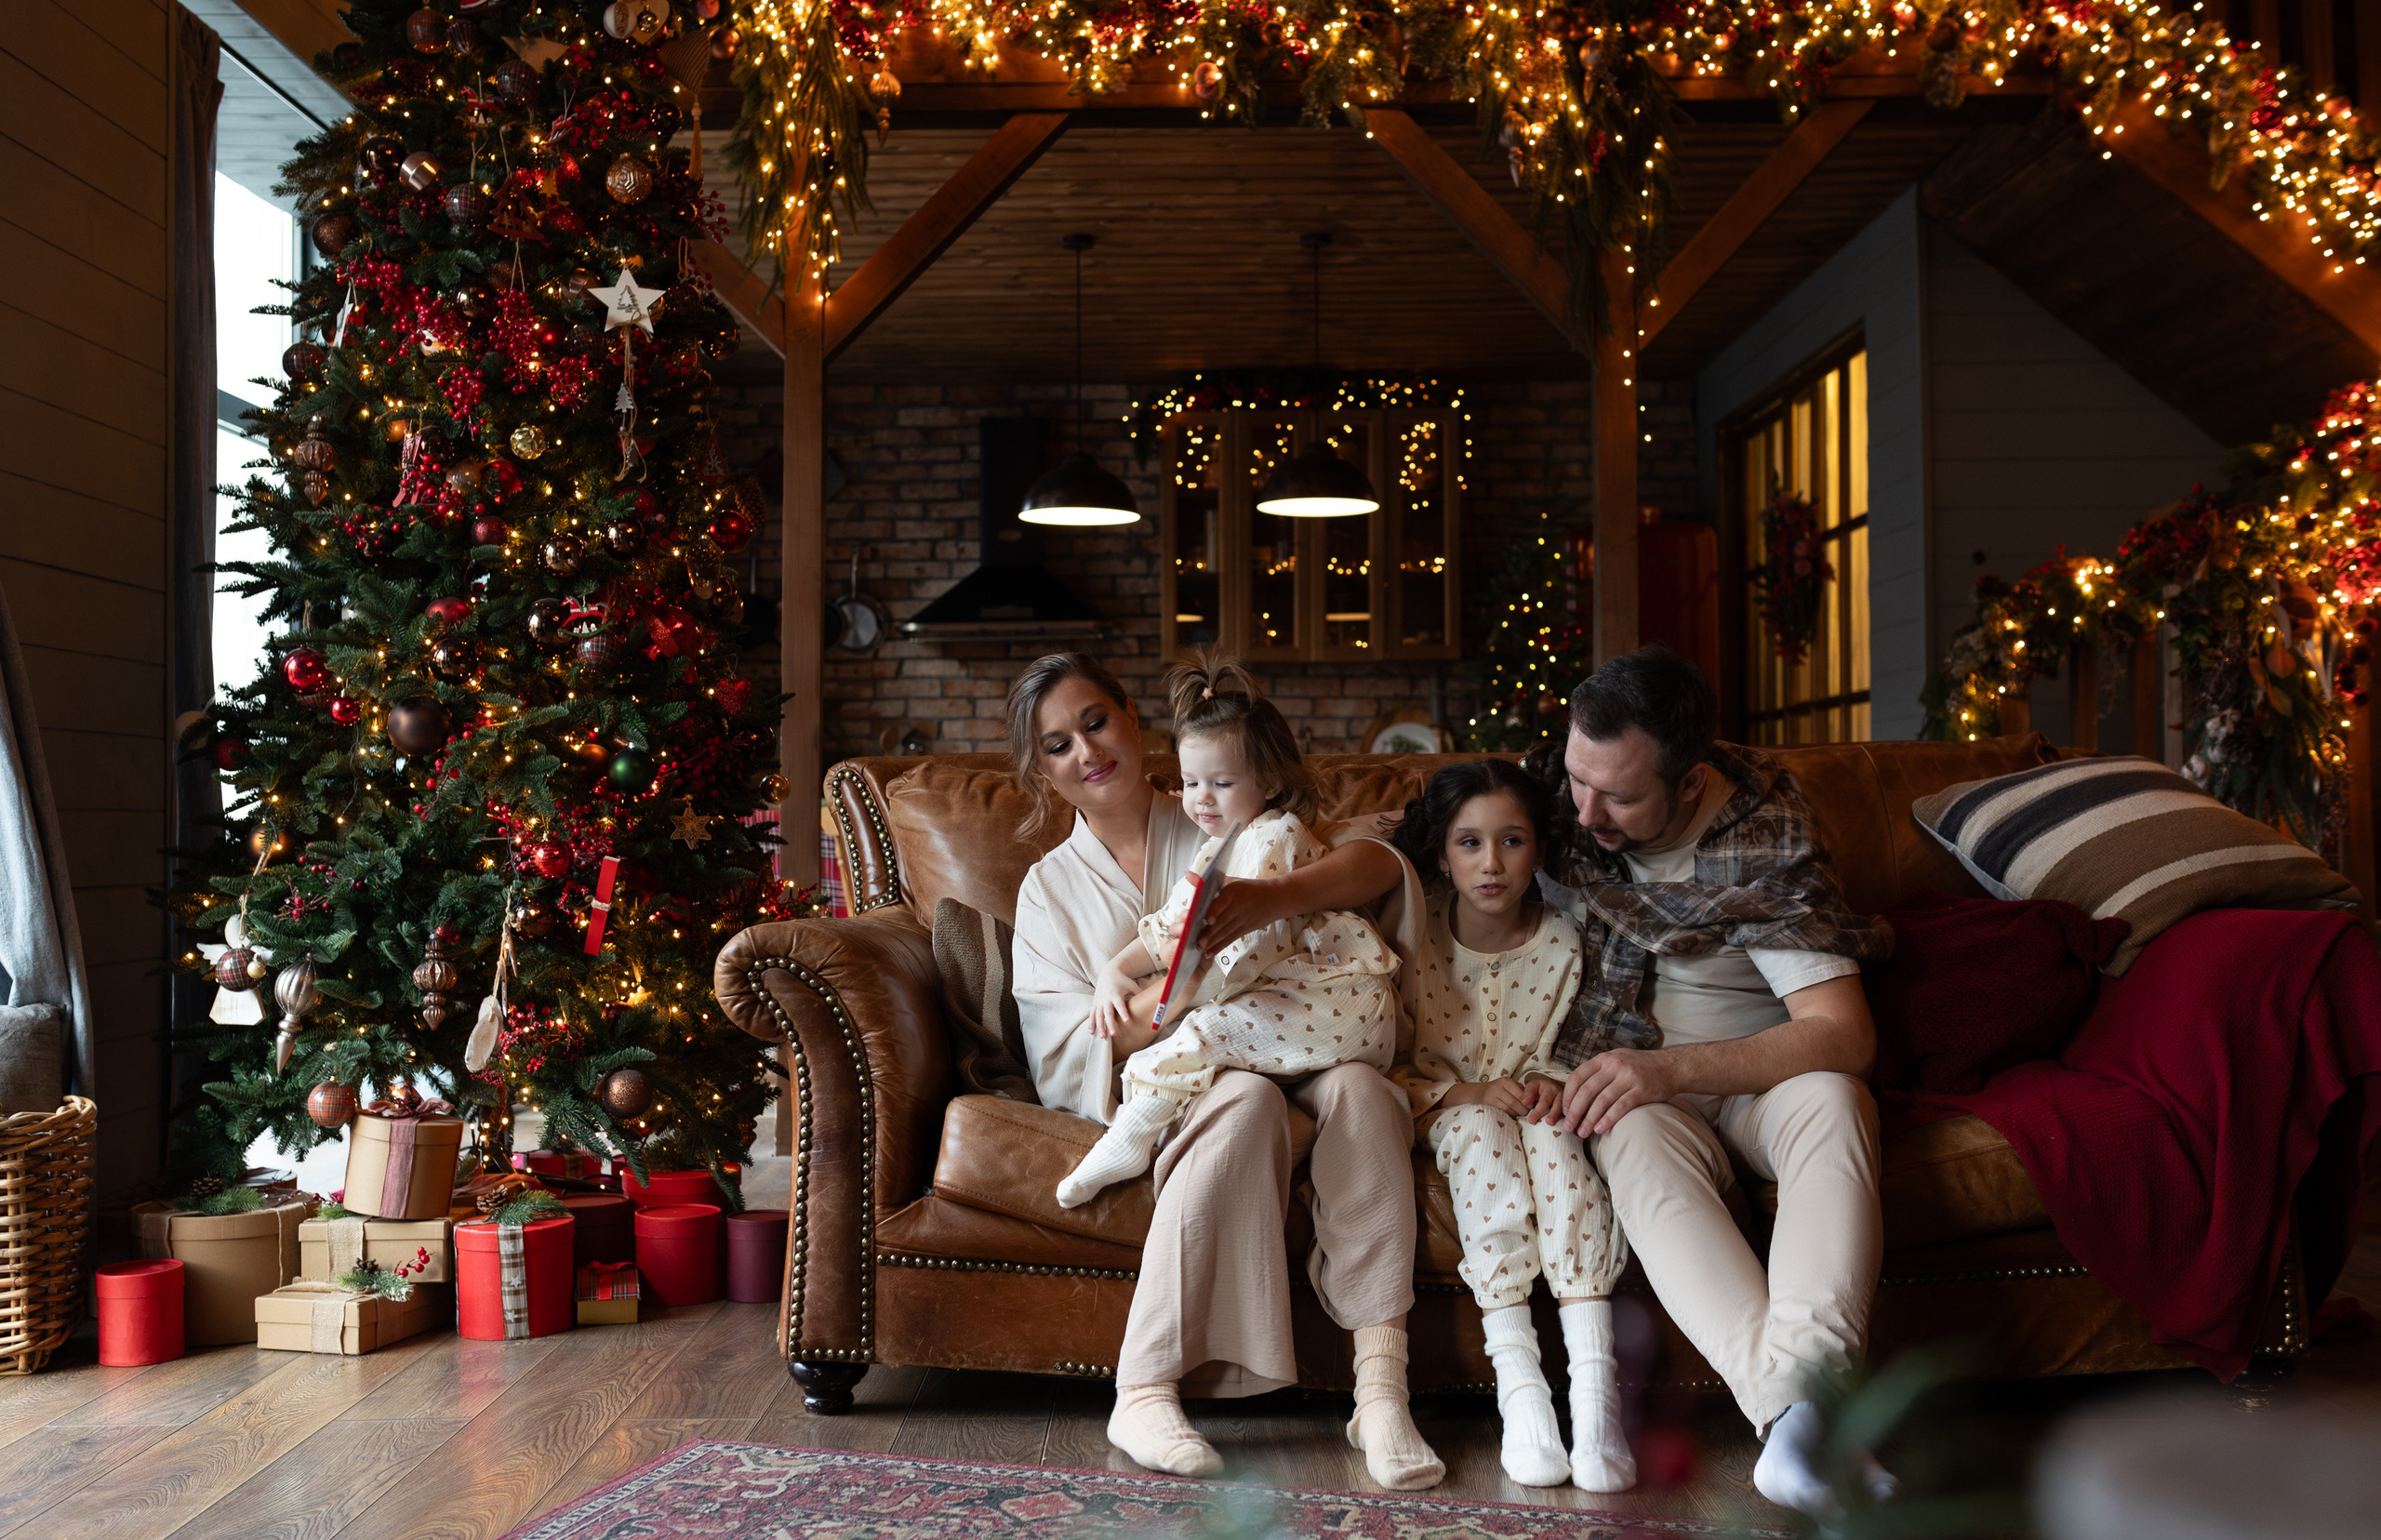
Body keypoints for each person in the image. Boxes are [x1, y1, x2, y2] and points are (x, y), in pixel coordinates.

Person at [1004, 653, 1444, 1491]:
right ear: (1040, 771)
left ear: (1132, 718)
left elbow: (1365, 862)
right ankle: (1144, 1388)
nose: (1086, 751)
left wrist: (1274, 903)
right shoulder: (1047, 889)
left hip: (1307, 1035)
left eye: (1095, 722)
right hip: (1205, 1072)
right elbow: (1077, 1044)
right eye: (1057, 745)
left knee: (1366, 1091)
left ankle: (1382, 1393)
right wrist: (1187, 985)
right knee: (1242, 1100)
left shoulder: (1220, 800)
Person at [1539, 647, 1899, 1525]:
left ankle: (1802, 1421)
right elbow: (1406, 843)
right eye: (1577, 779)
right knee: (1625, 1123)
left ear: (1692, 781)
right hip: (1643, 1096)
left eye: (1618, 797)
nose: (1585, 813)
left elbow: (1844, 1034)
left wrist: (1670, 1068)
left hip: (1753, 1081)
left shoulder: (1766, 837)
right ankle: (1803, 1426)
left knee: (1836, 1098)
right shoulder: (1556, 801)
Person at [1061, 655, 1399, 1208]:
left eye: (1221, 783)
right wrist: (1113, 972)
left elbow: (1240, 954)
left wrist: (1184, 987)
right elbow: (1170, 926)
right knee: (1199, 1031)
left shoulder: (1274, 834)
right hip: (1301, 1007)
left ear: (1270, 781)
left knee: (1199, 1032)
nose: (1201, 799)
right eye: (1191, 782)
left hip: (1343, 1004)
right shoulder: (1217, 848)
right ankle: (1136, 1131)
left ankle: (1130, 1137)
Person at [1386, 759, 1634, 1492]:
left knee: (1556, 1141)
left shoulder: (1565, 939)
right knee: (1480, 1133)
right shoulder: (1413, 938)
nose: (1490, 864)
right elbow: (1384, 1064)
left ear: (1540, 851)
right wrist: (1466, 1091)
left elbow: (1581, 1044)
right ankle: (1521, 1390)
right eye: (1469, 843)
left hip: (1537, 1112)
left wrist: (1553, 1081)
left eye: (1512, 841)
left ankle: (1594, 1395)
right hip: (1444, 1110)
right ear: (1442, 854)